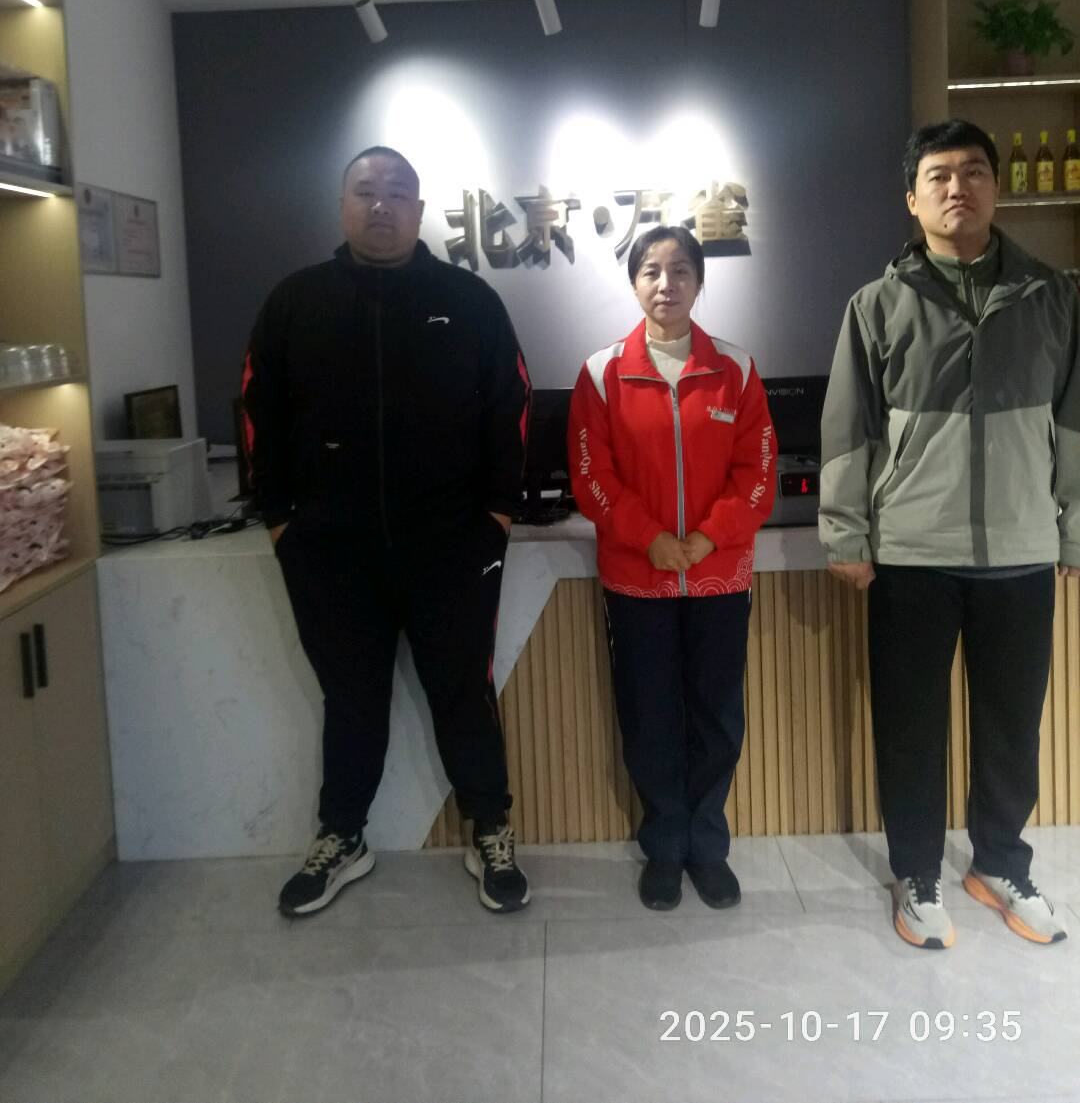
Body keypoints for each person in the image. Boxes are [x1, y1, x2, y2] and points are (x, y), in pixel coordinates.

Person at [242, 145, 532, 916]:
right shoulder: (296, 301)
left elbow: (512, 406)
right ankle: (342, 835)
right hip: (329, 551)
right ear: (342, 206)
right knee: (351, 697)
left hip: (452, 546)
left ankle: (489, 827)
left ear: (419, 209)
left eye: (398, 192)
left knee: (463, 692)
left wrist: (498, 515)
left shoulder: (467, 300)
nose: (382, 205)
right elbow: (256, 412)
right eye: (366, 191)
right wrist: (280, 521)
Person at [820, 119, 1079, 950]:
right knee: (910, 725)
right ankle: (917, 871)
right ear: (912, 198)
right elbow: (848, 429)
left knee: (1012, 724)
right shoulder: (876, 305)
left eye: (973, 171)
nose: (957, 186)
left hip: (1020, 547)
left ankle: (998, 862)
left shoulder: (1054, 296)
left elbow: (1075, 423)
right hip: (912, 554)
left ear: (997, 188)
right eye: (938, 175)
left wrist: (1073, 527)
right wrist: (847, 533)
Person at [569, 226, 776, 910]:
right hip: (639, 578)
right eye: (652, 271)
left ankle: (707, 846)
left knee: (716, 716)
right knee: (650, 716)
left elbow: (757, 472)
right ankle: (664, 847)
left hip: (719, 576)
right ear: (635, 283)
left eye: (680, 270)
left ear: (698, 281)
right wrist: (649, 537)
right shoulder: (602, 372)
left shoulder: (736, 370)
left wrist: (709, 537)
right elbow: (591, 475)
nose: (666, 283)